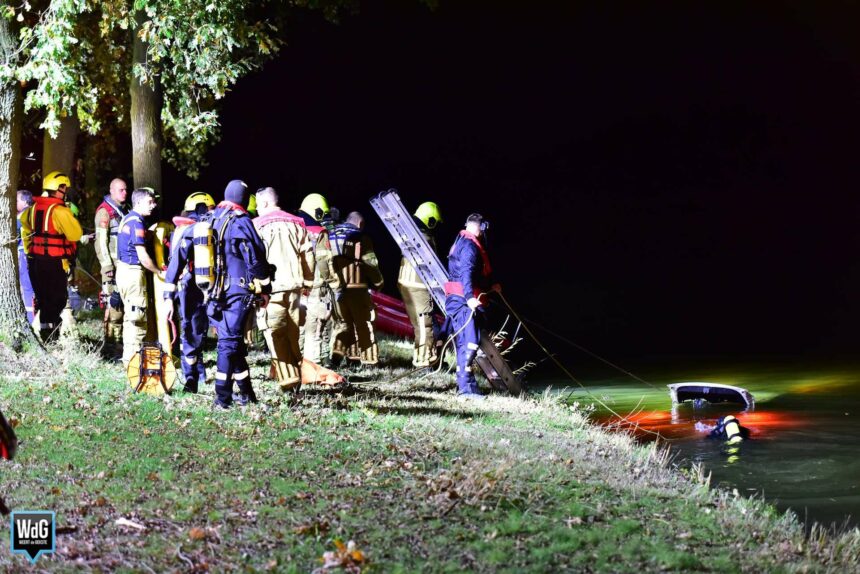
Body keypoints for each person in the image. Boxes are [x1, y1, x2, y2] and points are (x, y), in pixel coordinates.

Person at [205, 180, 272, 408]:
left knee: (233, 344)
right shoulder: (241, 221)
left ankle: (247, 394)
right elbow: (255, 256)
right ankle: (222, 398)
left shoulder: (211, 218)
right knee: (228, 344)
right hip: (236, 292)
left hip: (213, 292)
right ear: (244, 199)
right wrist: (265, 286)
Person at [253, 187, 314, 391]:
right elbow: (308, 255)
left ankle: (290, 382)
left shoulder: (256, 225)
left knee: (275, 335)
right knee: (293, 334)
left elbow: (253, 259)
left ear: (264, 203)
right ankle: (294, 375)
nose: (256, 209)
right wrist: (308, 283)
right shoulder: (297, 222)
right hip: (295, 288)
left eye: (257, 205)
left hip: (270, 291)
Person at [20, 171, 83, 341]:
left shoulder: (32, 209)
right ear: (59, 188)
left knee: (43, 299)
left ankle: (46, 334)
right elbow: (76, 234)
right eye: (64, 188)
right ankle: (51, 337)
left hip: (35, 261)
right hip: (53, 263)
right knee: (57, 300)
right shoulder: (60, 211)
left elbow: (25, 228)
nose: (66, 191)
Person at [163, 192, 216, 392]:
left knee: (192, 330)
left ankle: (195, 375)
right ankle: (194, 376)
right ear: (202, 208)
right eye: (210, 209)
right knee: (195, 330)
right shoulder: (204, 228)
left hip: (187, 285)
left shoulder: (181, 230)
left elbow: (174, 262)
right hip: (200, 286)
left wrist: (168, 295)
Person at [444, 213, 500, 399]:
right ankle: (466, 389)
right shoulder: (469, 246)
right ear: (481, 227)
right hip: (462, 300)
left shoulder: (461, 241)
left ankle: (467, 386)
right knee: (470, 342)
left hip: (457, 299)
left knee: (466, 342)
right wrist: (469, 297)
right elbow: (466, 273)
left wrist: (490, 287)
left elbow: (470, 274)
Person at [116, 188, 163, 365]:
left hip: (123, 271)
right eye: (149, 202)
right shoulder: (136, 222)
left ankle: (129, 361)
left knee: (130, 318)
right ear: (138, 202)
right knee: (138, 320)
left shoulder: (127, 218)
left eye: (154, 202)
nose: (153, 205)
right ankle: (135, 366)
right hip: (133, 274)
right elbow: (142, 257)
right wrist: (159, 271)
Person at [330, 211, 384, 365]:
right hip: (357, 287)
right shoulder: (361, 238)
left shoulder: (331, 234)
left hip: (335, 288)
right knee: (364, 323)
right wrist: (379, 282)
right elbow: (370, 263)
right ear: (360, 224)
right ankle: (370, 359)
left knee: (343, 324)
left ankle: (341, 356)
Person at [398, 201, 442, 367]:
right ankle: (423, 361)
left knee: (418, 324)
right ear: (430, 221)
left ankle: (429, 357)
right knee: (425, 325)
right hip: (418, 285)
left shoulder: (409, 233)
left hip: (405, 283)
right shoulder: (426, 238)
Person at [297, 193, 340, 364]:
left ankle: (297, 362)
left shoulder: (294, 228)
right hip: (316, 288)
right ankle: (314, 366)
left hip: (297, 286)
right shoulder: (319, 233)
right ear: (318, 213)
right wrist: (335, 284)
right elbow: (324, 263)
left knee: (299, 327)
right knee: (317, 328)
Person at [94, 178, 128, 354]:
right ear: (112, 190)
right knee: (113, 305)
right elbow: (100, 242)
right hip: (112, 267)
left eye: (126, 190)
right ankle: (110, 345)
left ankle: (121, 343)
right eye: (121, 190)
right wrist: (107, 267)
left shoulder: (125, 210)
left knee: (124, 305)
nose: (125, 193)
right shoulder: (104, 212)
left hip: (125, 265)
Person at [16, 190, 35, 324]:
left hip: (25, 254)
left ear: (24, 201)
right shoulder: (37, 213)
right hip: (40, 254)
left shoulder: (21, 216)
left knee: (27, 287)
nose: (15, 203)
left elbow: (14, 236)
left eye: (17, 200)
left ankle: (31, 320)